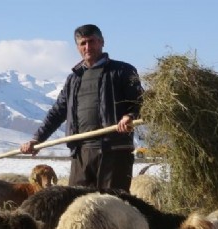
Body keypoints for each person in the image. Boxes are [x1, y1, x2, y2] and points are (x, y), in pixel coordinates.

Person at [19, 24, 143, 192]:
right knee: (77, 204)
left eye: (91, 41)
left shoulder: (122, 71)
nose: (87, 47)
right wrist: (37, 139)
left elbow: (139, 100)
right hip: (81, 152)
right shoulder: (74, 79)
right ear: (77, 47)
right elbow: (57, 112)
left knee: (113, 205)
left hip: (114, 151)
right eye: (82, 43)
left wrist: (129, 116)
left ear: (101, 42)